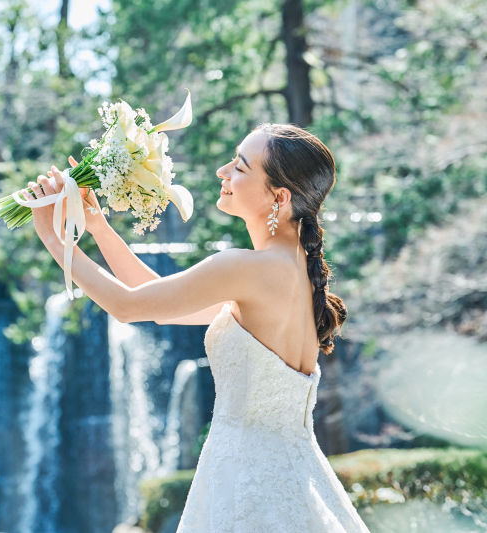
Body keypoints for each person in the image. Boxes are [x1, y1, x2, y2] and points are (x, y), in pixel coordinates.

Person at [20, 123, 370, 532]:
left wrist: (53, 237)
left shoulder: (245, 267)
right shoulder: (292, 274)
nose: (223, 171)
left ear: (279, 196)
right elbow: (159, 303)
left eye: (239, 167)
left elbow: (127, 308)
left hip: (243, 482)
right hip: (289, 478)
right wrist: (97, 226)